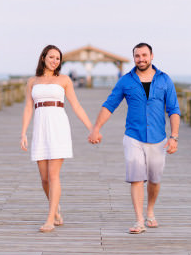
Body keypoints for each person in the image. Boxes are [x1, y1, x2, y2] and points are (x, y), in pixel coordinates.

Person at [88, 42, 180, 234]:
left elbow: (173, 110)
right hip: (133, 136)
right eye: (137, 56)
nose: (141, 59)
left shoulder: (165, 80)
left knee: (154, 180)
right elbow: (109, 105)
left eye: (144, 55)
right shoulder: (126, 81)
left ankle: (150, 211)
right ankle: (139, 220)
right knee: (136, 178)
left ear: (152, 56)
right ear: (134, 58)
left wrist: (174, 137)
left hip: (158, 138)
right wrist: (96, 128)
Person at [20, 45, 94, 232]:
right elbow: (29, 108)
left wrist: (92, 128)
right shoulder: (32, 81)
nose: (55, 61)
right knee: (44, 178)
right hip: (40, 128)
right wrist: (23, 133)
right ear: (43, 57)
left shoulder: (64, 80)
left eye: (58, 58)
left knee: (53, 176)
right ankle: (57, 210)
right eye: (51, 57)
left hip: (58, 127)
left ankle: (50, 219)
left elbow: (76, 106)